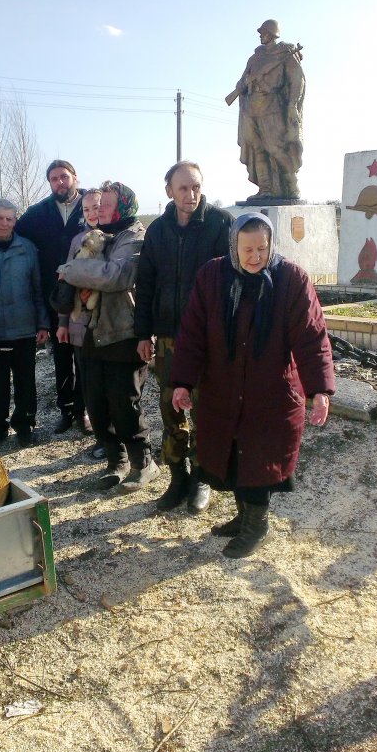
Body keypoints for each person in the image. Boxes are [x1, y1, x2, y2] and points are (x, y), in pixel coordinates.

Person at [170, 212, 335, 558]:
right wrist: (182, 382)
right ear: (234, 246)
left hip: (271, 392)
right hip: (222, 388)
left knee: (260, 458)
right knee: (231, 456)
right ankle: (244, 517)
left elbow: (311, 337)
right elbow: (192, 333)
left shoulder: (291, 279)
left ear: (271, 244)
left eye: (262, 248)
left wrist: (319, 390)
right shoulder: (213, 276)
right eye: (247, 249)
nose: (256, 257)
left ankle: (257, 526)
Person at [134, 161, 233, 514]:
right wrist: (143, 333)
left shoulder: (220, 223)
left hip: (208, 339)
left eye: (196, 187)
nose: (191, 194)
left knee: (205, 411)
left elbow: (232, 282)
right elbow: (146, 284)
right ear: (169, 192)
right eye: (183, 188)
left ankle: (202, 478)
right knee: (171, 409)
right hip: (168, 338)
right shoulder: (158, 231)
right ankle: (178, 475)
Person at [57, 181, 159, 493]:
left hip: (122, 333)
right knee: (97, 406)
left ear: (124, 206)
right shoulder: (97, 235)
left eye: (107, 204)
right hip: (90, 333)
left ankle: (144, 463)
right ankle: (117, 460)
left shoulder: (135, 236)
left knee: (124, 405)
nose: (100, 209)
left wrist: (69, 269)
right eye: (99, 204)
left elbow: (116, 276)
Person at [15, 159, 91, 435]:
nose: (60, 182)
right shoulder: (39, 213)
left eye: (64, 176)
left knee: (84, 358)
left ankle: (84, 410)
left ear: (75, 177)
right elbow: (10, 229)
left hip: (87, 295)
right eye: (54, 179)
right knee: (61, 356)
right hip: (56, 297)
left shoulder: (91, 205)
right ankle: (66, 409)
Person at [0, 199, 50, 449]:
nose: (4, 223)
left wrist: (42, 323)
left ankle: (25, 425)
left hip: (24, 328)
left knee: (25, 381)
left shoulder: (27, 248)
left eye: (9, 219)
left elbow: (37, 289)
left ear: (15, 221)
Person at [55, 188, 107, 460]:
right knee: (87, 377)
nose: (92, 213)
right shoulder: (77, 241)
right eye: (86, 210)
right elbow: (66, 282)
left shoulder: (115, 238)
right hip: (79, 321)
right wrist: (63, 322)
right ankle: (91, 423)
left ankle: (112, 434)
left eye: (96, 207)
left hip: (109, 321)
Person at [230, 19, 305, 202]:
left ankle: (291, 184)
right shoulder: (254, 58)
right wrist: (243, 84)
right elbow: (242, 81)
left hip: (272, 107)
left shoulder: (285, 54)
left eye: (263, 32)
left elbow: (297, 81)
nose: (260, 35)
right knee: (257, 148)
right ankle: (265, 188)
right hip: (250, 108)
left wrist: (292, 104)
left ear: (272, 33)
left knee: (275, 147)